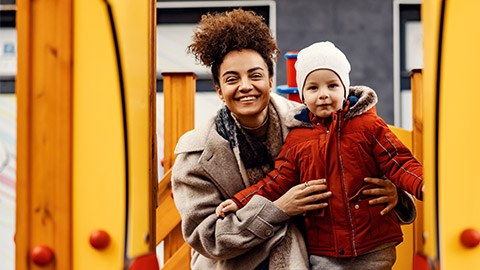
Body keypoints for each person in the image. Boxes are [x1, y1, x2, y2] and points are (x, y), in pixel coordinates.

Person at [172, 9, 416, 270]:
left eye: (255, 75)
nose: (245, 86)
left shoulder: (310, 123)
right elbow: (207, 237)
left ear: (270, 80)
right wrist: (278, 208)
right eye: (232, 79)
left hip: (312, 256)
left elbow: (368, 162)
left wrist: (396, 195)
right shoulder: (196, 154)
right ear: (219, 91)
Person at [216, 41, 423, 269]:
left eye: (332, 86)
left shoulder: (369, 126)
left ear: (345, 88)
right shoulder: (298, 138)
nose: (323, 95)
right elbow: (277, 181)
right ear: (302, 96)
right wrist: (240, 200)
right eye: (313, 88)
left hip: (373, 242)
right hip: (325, 247)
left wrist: (424, 186)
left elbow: (398, 162)